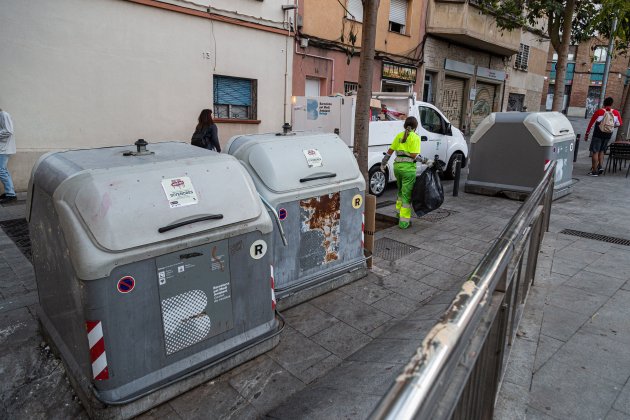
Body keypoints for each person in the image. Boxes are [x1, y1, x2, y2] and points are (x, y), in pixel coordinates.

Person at [381, 116, 421, 229]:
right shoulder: (415, 137)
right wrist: (426, 161)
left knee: (400, 192)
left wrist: (383, 163)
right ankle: (404, 223)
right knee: (406, 196)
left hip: (397, 168)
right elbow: (414, 155)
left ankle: (398, 214)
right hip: (408, 170)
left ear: (405, 126)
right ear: (415, 127)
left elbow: (389, 151)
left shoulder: (399, 135)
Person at [584, 97, 622, 176]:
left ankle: (594, 171)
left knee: (595, 151)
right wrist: (611, 126)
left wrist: (587, 134)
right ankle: (600, 166)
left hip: (598, 134)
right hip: (608, 134)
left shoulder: (599, 112)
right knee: (602, 151)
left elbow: (591, 124)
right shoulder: (616, 112)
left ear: (604, 103)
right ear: (611, 104)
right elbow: (619, 124)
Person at [0, 108, 16, 204]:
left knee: (1, 170)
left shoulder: (3, 115)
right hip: (3, 148)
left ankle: (11, 194)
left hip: (5, 149)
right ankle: (10, 192)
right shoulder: (2, 115)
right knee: (3, 170)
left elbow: (9, 131)